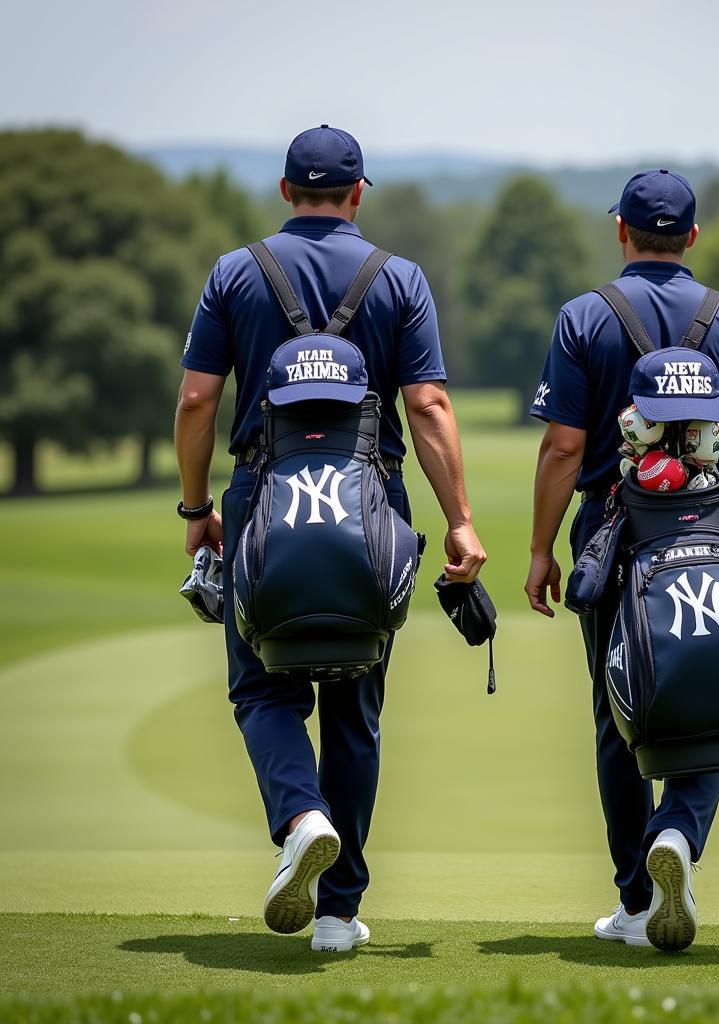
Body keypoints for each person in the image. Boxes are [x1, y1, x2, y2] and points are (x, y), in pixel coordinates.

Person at [174, 125, 486, 953]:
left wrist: (196, 507)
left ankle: (300, 817)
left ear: (284, 192)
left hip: (260, 498)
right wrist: (457, 521)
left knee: (263, 690)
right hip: (368, 504)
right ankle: (340, 916)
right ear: (357, 194)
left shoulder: (236, 271)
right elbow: (427, 408)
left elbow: (198, 402)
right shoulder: (400, 278)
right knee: (354, 705)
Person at [525, 169, 719, 951]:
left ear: (621, 233)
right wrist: (715, 483)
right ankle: (679, 828)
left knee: (620, 713)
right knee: (715, 686)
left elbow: (564, 446)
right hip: (712, 535)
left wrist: (540, 550)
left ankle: (637, 901)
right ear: (694, 239)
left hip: (613, 542)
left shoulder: (584, 316)